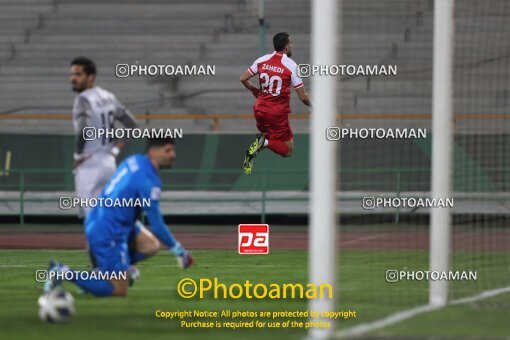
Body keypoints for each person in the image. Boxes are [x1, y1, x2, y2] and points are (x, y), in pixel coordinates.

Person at [44, 137, 194, 297]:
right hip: (109, 230)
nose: (173, 155)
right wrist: (179, 251)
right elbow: (156, 224)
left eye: (172, 150)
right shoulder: (148, 181)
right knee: (118, 290)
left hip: (105, 217)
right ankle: (62, 271)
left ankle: (109, 271)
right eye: (167, 150)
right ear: (153, 152)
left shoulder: (134, 160)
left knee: (150, 245)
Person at [70, 56, 138, 217]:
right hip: (109, 162)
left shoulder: (83, 100)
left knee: (92, 221)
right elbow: (133, 125)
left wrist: (78, 155)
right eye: (72, 74)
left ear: (91, 77)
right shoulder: (108, 96)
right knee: (110, 217)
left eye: (78, 74)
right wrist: (115, 151)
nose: (73, 79)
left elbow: (83, 130)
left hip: (89, 163)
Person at [240, 32, 312, 174]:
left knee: (269, 136)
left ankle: (253, 153)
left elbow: (243, 78)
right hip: (276, 114)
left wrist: (255, 90)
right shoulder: (292, 66)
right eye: (290, 43)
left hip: (259, 109)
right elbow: (303, 97)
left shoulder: (262, 60)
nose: (292, 45)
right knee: (288, 150)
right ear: (286, 48)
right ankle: (263, 143)